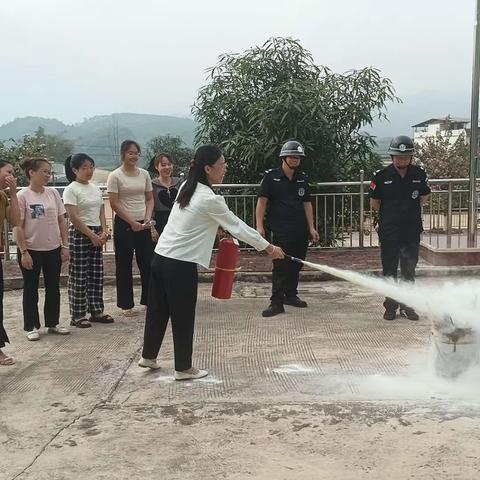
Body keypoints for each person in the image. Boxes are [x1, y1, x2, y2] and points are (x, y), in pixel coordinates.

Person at [139, 144, 284, 380]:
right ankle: (183, 368)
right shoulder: (210, 199)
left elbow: (192, 219)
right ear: (207, 168)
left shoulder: (187, 185)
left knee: (158, 310)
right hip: (179, 265)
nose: (225, 169)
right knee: (183, 316)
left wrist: (213, 227)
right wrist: (267, 247)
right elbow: (238, 227)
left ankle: (148, 356)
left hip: (161, 258)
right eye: (222, 165)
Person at [369, 135, 431, 321]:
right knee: (389, 270)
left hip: (411, 230)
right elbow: (375, 203)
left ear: (411, 157)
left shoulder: (419, 174)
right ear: (392, 157)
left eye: (405, 157)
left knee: (409, 270)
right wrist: (393, 215)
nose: (402, 159)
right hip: (389, 231)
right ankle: (390, 306)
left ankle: (407, 306)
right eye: (398, 156)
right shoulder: (381, 176)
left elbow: (424, 197)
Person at [255, 140, 319, 317]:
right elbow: (261, 202)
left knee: (296, 264)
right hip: (280, 229)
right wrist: (259, 226)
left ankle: (291, 295)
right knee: (280, 265)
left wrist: (312, 228)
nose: (295, 160)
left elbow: (307, 204)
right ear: (284, 157)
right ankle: (276, 302)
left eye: (298, 157)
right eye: (292, 156)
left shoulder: (302, 178)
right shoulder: (271, 177)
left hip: (300, 229)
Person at [14, 157, 70, 341]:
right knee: (31, 288)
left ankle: (52, 322)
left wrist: (64, 245)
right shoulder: (23, 196)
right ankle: (31, 325)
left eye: (49, 172)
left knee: (53, 287)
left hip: (53, 248)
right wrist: (24, 252)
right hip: (31, 250)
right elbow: (18, 225)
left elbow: (61, 220)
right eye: (44, 171)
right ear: (32, 172)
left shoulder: (53, 193)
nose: (48, 175)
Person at [63, 153, 113, 328]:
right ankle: (77, 314)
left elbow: (100, 211)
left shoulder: (94, 188)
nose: (89, 170)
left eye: (91, 166)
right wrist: (91, 235)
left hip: (96, 232)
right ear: (75, 170)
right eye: (84, 167)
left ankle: (97, 310)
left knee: (96, 274)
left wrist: (104, 231)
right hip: (80, 233)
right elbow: (73, 217)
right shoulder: (71, 189)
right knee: (79, 275)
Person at [107, 140, 155, 317]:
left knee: (148, 263)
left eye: (137, 153)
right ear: (123, 154)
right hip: (124, 224)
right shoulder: (115, 176)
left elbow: (150, 199)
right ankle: (126, 305)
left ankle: (150, 300)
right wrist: (131, 222)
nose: (134, 156)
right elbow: (114, 202)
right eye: (130, 153)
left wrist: (147, 218)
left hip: (144, 223)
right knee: (124, 264)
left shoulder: (144, 174)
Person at [0, 160, 20, 365]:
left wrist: (14, 194)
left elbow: (15, 221)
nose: (12, 176)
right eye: (8, 172)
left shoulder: (3, 196)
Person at [147, 152, 182, 238]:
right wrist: (152, 228)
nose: (167, 167)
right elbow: (149, 206)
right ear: (156, 167)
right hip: (159, 223)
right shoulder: (152, 185)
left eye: (169, 164)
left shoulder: (179, 182)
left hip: (177, 221)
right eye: (163, 165)